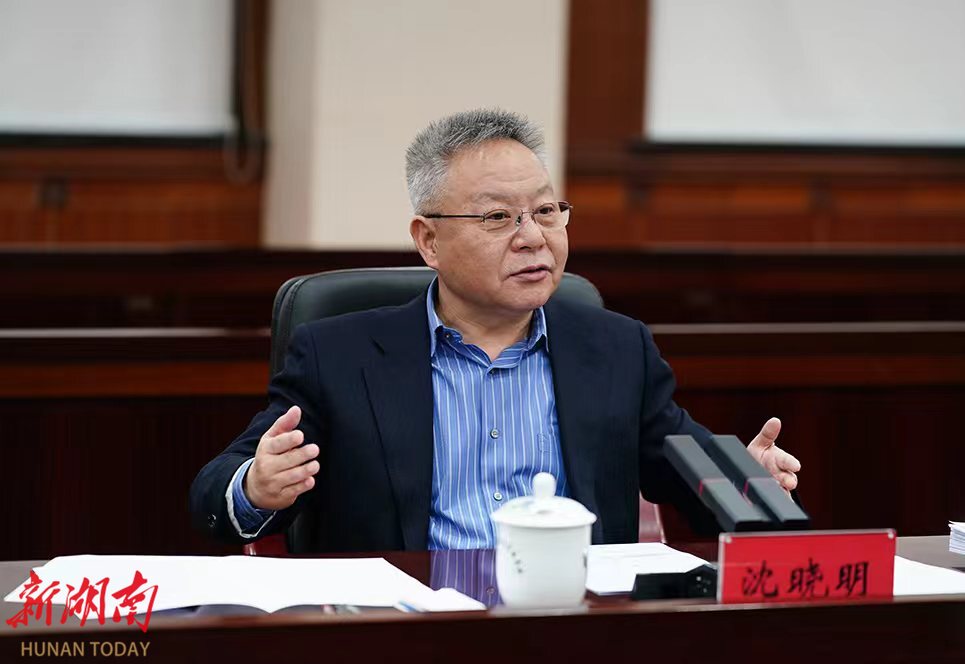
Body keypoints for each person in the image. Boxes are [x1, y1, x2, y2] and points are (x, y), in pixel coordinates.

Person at [190, 108, 801, 551]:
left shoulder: (617, 349)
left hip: (574, 622)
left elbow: (688, 479)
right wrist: (257, 485)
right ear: (429, 241)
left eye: (546, 211)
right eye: (498, 217)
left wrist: (745, 482)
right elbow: (216, 490)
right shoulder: (339, 355)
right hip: (406, 628)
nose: (533, 237)